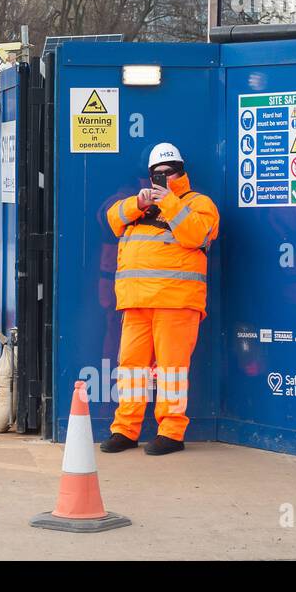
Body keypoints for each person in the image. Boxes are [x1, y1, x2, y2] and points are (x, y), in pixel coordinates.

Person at [100, 143, 219, 456]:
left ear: (182, 171)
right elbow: (113, 219)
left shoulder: (198, 203)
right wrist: (138, 203)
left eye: (171, 171)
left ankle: (171, 431)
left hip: (176, 302)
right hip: (137, 301)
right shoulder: (140, 204)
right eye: (158, 173)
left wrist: (171, 204)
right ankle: (125, 430)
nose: (165, 177)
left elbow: (197, 235)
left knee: (172, 369)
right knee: (131, 368)